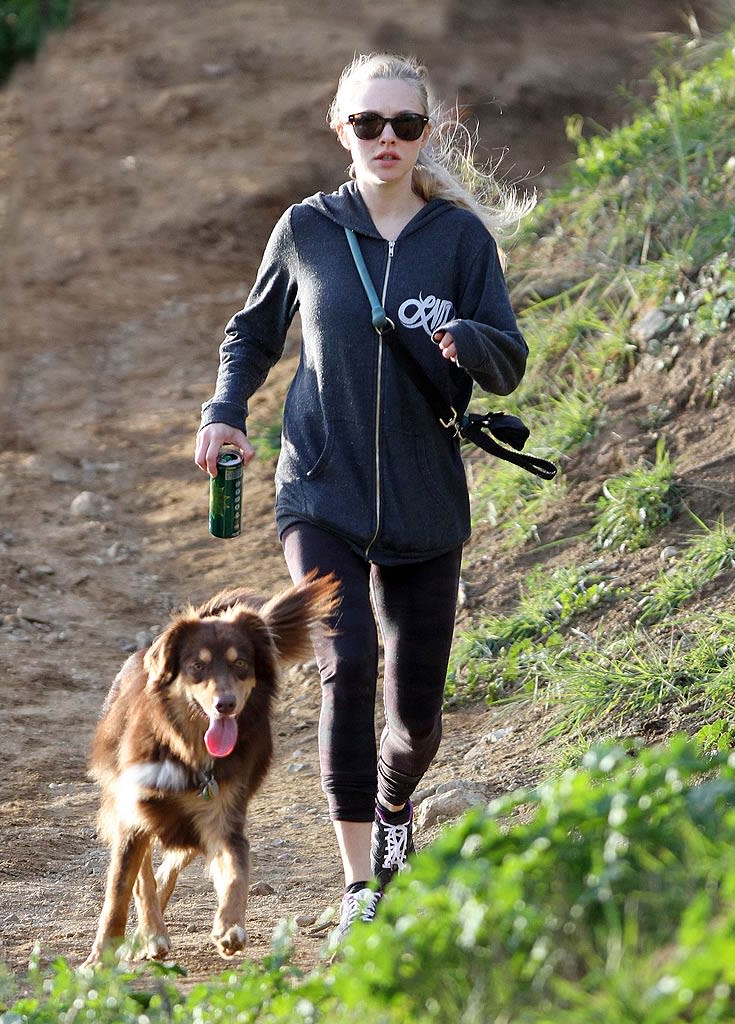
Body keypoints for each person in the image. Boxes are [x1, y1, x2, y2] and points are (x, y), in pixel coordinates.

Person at [195, 52, 534, 939]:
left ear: (428, 130)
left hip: (425, 498)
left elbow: (509, 359)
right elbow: (252, 334)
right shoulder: (307, 229)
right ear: (339, 126)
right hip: (319, 485)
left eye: (405, 125)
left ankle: (393, 810)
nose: (387, 139)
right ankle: (360, 887)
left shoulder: (460, 241)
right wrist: (225, 413)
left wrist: (467, 341)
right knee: (345, 668)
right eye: (368, 123)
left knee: (413, 711)